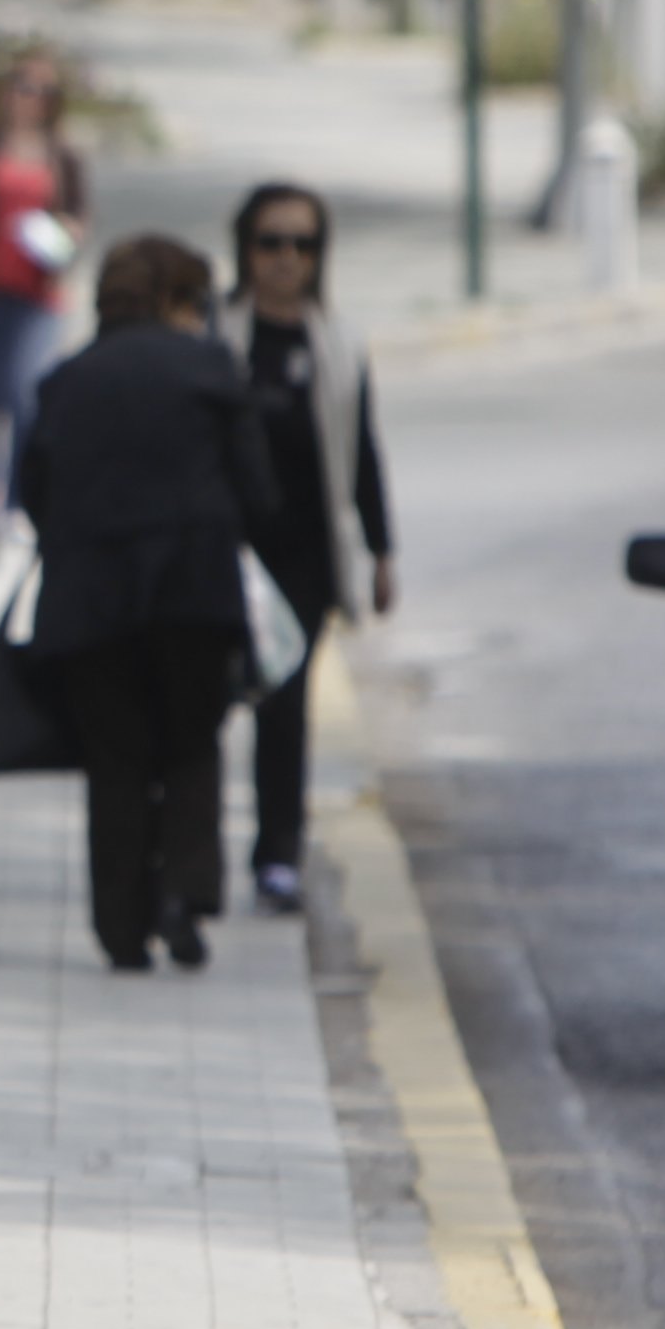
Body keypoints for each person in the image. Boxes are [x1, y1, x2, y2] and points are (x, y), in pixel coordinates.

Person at [13, 233, 278, 971]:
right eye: (194, 301)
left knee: (116, 762)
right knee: (193, 746)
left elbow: (32, 491)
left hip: (89, 604)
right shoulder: (211, 370)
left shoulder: (67, 379)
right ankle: (184, 895)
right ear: (171, 301)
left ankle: (121, 927)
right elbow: (258, 493)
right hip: (195, 592)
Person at [223, 180, 393, 914]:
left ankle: (277, 855)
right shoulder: (217, 335)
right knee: (203, 709)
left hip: (304, 562)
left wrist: (382, 553)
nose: (287, 258)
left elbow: (362, 455)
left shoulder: (339, 345)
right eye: (271, 242)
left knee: (285, 711)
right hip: (224, 556)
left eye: (303, 244)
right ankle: (188, 859)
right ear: (246, 250)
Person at [0, 52, 90, 556]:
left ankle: (12, 499)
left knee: (26, 395)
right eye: (21, 86)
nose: (29, 98)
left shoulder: (61, 152)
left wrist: (67, 233)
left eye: (41, 91)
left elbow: (80, 212)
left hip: (39, 291)